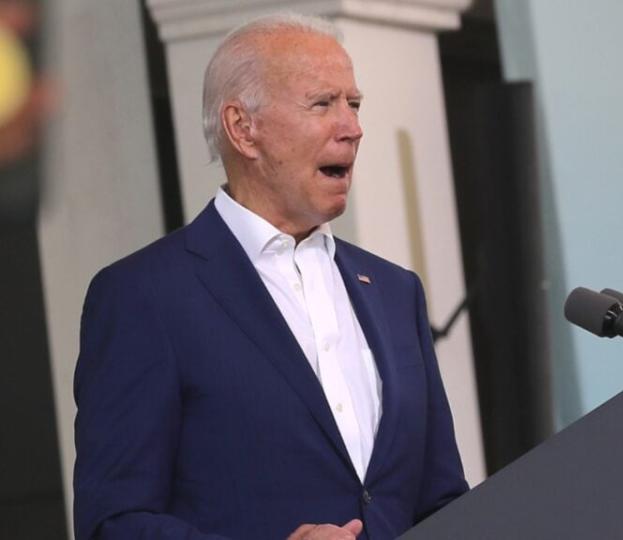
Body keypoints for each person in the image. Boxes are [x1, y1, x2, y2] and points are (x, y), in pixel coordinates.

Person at [73, 13, 468, 540]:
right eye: (323, 103)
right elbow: (111, 523)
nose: (352, 128)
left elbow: (441, 500)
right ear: (243, 128)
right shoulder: (144, 296)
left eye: (354, 104)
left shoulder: (396, 292)